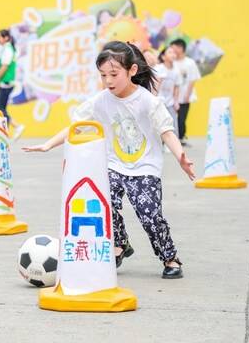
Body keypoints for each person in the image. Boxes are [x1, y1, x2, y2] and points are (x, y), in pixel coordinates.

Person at [23, 41, 195, 279]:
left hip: (144, 167)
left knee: (149, 215)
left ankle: (170, 257)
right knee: (104, 203)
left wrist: (180, 157)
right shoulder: (101, 100)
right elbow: (77, 126)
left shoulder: (147, 101)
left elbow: (166, 130)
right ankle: (120, 244)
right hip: (113, 165)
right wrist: (48, 144)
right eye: (103, 75)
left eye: (114, 74)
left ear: (132, 71)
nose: (108, 81)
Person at [0, 29, 25, 140]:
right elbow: (1, 67)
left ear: (6, 38)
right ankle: (6, 131)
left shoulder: (7, 49)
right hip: (5, 82)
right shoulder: (7, 49)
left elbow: (4, 67)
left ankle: (16, 126)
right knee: (0, 108)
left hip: (6, 82)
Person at [170, 39, 201, 146]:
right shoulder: (171, 62)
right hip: (172, 96)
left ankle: (181, 138)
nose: (173, 51)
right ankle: (173, 139)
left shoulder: (190, 63)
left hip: (185, 96)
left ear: (181, 48)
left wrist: (188, 94)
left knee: (182, 118)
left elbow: (193, 79)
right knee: (172, 118)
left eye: (175, 48)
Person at [154, 47, 180, 136]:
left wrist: (176, 101)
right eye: (170, 52)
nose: (173, 54)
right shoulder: (158, 68)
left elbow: (177, 86)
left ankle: (174, 145)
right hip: (159, 101)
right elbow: (155, 85)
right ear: (163, 57)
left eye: (174, 53)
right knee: (159, 124)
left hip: (170, 102)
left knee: (173, 123)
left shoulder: (176, 70)